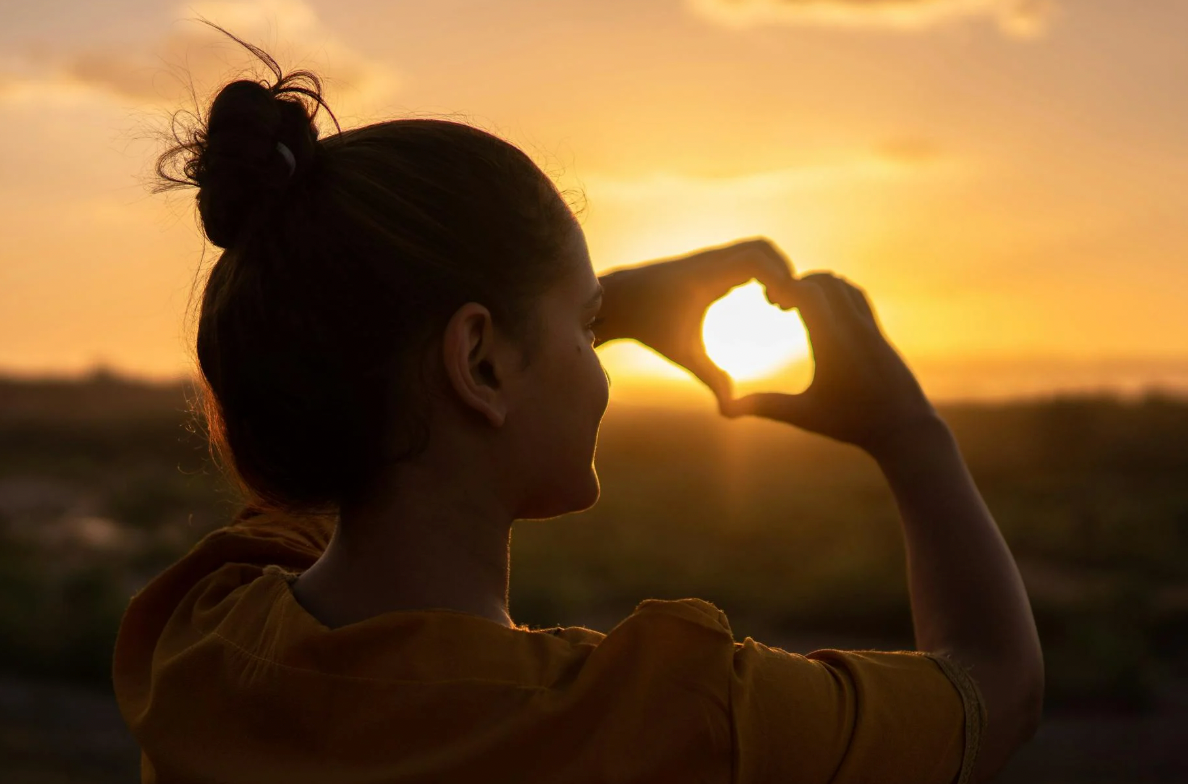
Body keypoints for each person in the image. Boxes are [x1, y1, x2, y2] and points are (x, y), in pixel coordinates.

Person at [112, 23, 1043, 784]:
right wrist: (907, 431)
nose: (598, 363)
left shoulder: (202, 639)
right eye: (586, 326)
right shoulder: (675, 720)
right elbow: (995, 687)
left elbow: (341, 409)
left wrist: (572, 313)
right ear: (478, 362)